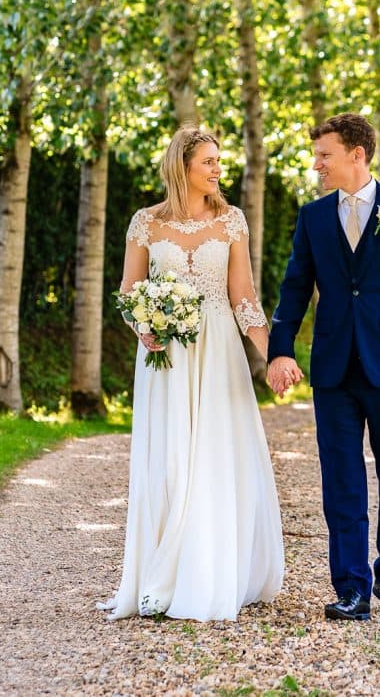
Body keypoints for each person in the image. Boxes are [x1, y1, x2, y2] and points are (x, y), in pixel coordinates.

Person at [100, 126, 284, 621]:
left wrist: (273, 353)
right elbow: (128, 291)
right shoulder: (145, 223)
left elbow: (243, 297)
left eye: (217, 160)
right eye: (208, 161)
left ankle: (209, 571)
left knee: (214, 454)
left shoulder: (232, 221)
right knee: (170, 458)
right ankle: (162, 571)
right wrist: (144, 327)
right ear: (181, 168)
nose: (217, 169)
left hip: (218, 351)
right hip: (165, 358)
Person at [267, 112, 380, 621]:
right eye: (317, 155)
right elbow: (294, 289)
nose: (317, 164)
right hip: (334, 372)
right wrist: (281, 349)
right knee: (341, 481)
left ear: (356, 155)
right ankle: (352, 588)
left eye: (325, 155)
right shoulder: (313, 218)